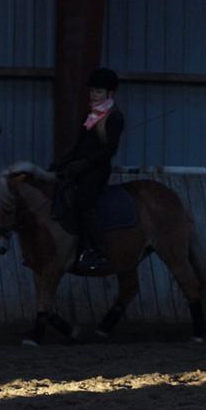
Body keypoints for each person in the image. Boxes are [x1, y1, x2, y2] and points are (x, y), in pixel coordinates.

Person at [51, 67, 125, 273]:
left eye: (98, 92)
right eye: (92, 91)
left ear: (109, 94)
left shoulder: (114, 117)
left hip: (97, 170)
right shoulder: (91, 115)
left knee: (84, 203)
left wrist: (83, 164)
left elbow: (109, 150)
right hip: (80, 167)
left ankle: (98, 251)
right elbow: (79, 145)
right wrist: (63, 161)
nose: (93, 95)